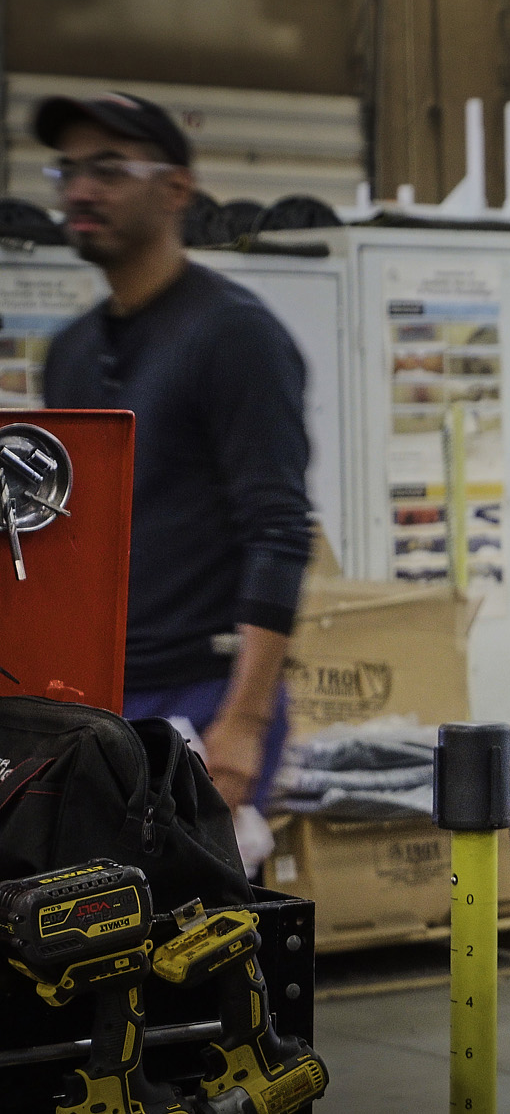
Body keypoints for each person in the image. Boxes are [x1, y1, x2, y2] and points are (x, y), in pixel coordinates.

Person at [38, 92, 313, 814]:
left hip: (201, 696)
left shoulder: (235, 337)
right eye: (67, 171)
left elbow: (279, 531)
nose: (81, 190)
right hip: (93, 695)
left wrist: (245, 720)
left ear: (176, 189)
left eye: (108, 168)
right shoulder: (72, 353)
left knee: (199, 925)